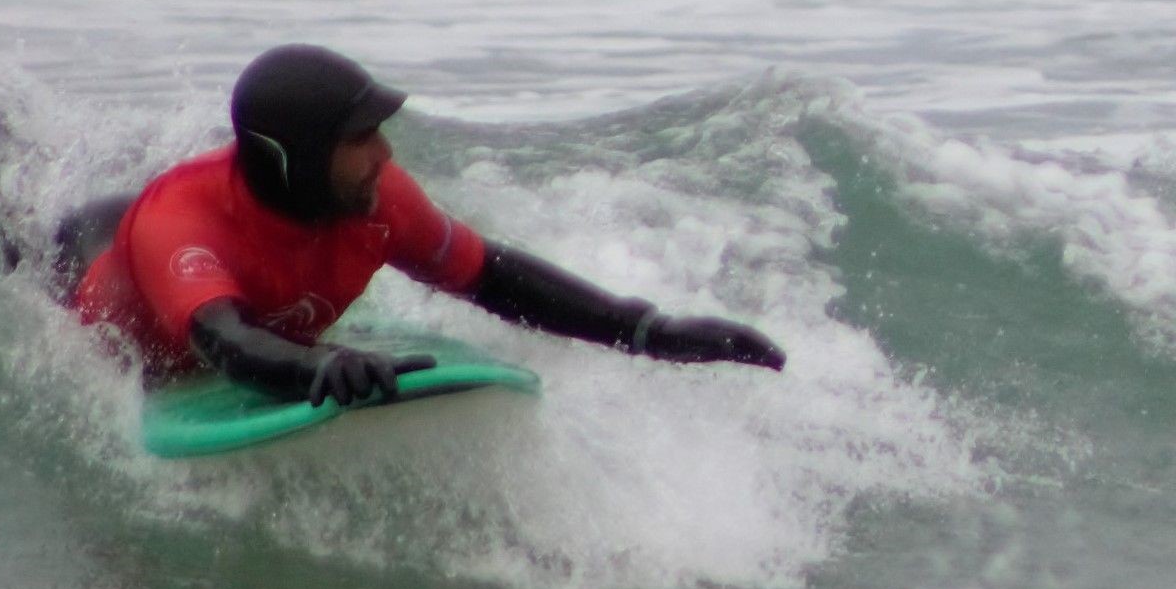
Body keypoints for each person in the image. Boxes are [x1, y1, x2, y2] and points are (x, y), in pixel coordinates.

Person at [64, 43, 786, 405]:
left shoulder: (377, 200)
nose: (383, 154)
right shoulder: (182, 227)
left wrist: (646, 330)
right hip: (83, 266)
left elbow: (492, 276)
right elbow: (226, 340)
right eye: (358, 138)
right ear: (293, 158)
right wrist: (320, 366)